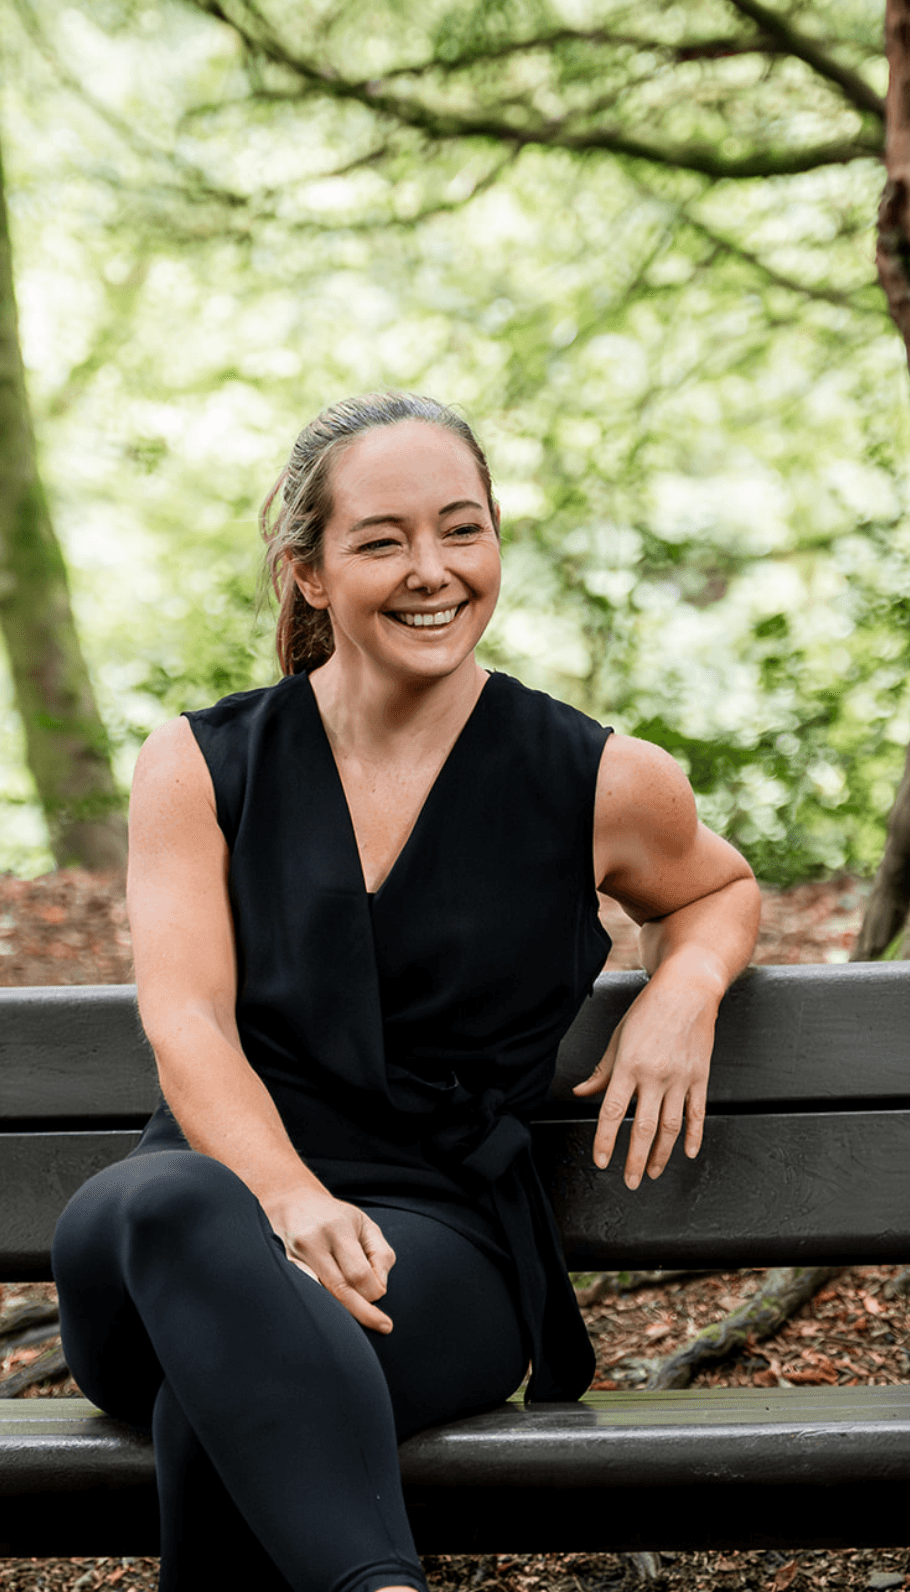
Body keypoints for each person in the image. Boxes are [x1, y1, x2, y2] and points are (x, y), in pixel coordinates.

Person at [52, 392, 760, 1592]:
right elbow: (185, 1017)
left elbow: (715, 886)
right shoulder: (201, 765)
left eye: (462, 530)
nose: (433, 571)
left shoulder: (594, 777)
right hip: (207, 1223)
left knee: (211, 1405)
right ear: (311, 571)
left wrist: (684, 984)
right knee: (168, 1203)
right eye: (382, 539)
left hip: (436, 1250)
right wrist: (284, 1195)